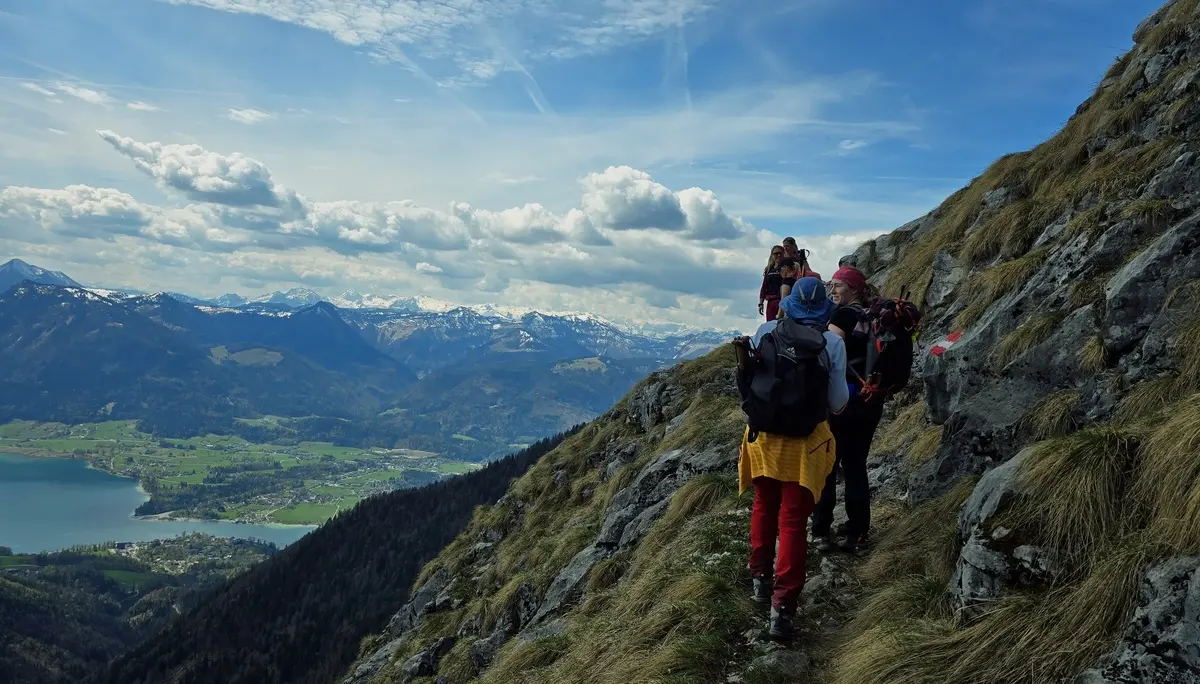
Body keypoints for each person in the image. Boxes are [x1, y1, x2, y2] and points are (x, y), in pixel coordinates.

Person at [734, 278, 848, 640]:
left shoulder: (766, 330)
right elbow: (837, 403)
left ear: (790, 304)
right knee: (794, 522)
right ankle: (782, 610)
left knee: (764, 506)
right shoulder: (832, 343)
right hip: (805, 445)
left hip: (763, 437)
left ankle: (759, 580)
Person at [811, 265, 882, 556]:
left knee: (828, 467)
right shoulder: (875, 317)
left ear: (853, 288)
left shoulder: (841, 316)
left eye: (838, 285)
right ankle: (858, 535)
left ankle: (821, 532)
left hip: (844, 402)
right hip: (871, 400)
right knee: (855, 467)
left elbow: (829, 354)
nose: (832, 291)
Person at [758, 246, 785, 322]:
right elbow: (764, 287)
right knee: (770, 325)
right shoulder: (769, 270)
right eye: (776, 254)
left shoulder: (787, 268)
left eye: (780, 253)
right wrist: (760, 303)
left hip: (783, 301)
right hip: (771, 302)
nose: (778, 255)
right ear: (772, 256)